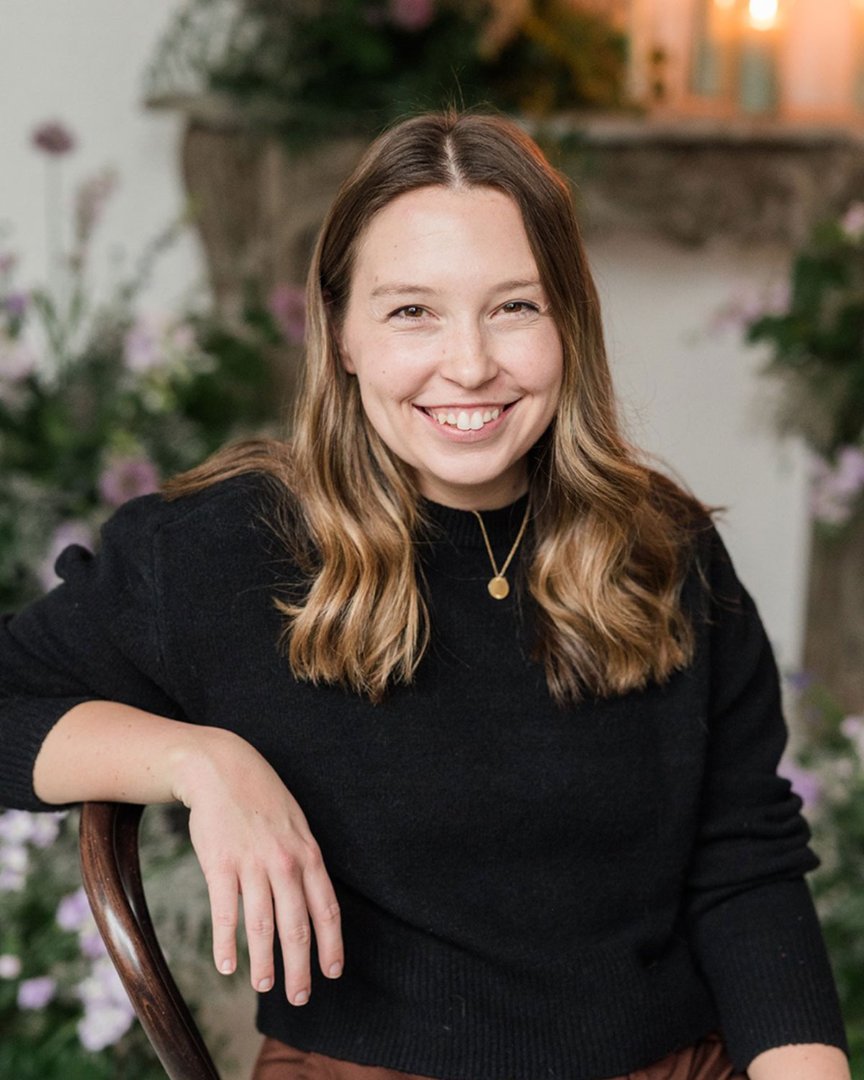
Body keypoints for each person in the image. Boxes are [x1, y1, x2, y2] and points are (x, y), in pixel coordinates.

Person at [0, 110, 850, 1080]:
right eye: (412, 311)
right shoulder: (224, 552)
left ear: (569, 322)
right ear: (342, 332)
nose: (471, 363)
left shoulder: (665, 547)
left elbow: (745, 865)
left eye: (514, 307)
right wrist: (198, 761)